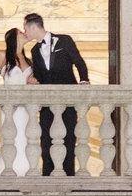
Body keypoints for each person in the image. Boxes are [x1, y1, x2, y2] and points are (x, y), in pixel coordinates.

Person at [22, 12, 89, 176]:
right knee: (45, 140)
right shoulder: (34, 50)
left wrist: (84, 81)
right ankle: (48, 177)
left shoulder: (64, 40)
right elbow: (40, 75)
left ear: (33, 26)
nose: (25, 32)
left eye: (25, 29)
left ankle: (68, 177)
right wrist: (33, 80)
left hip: (68, 101)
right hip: (47, 103)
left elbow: (79, 62)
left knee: (69, 139)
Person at [0, 26, 35, 175]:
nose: (24, 33)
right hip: (10, 108)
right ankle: (8, 169)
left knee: (25, 139)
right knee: (11, 138)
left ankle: (24, 171)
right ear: (13, 38)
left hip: (26, 109)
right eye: (21, 32)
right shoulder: (3, 55)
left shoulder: (28, 60)